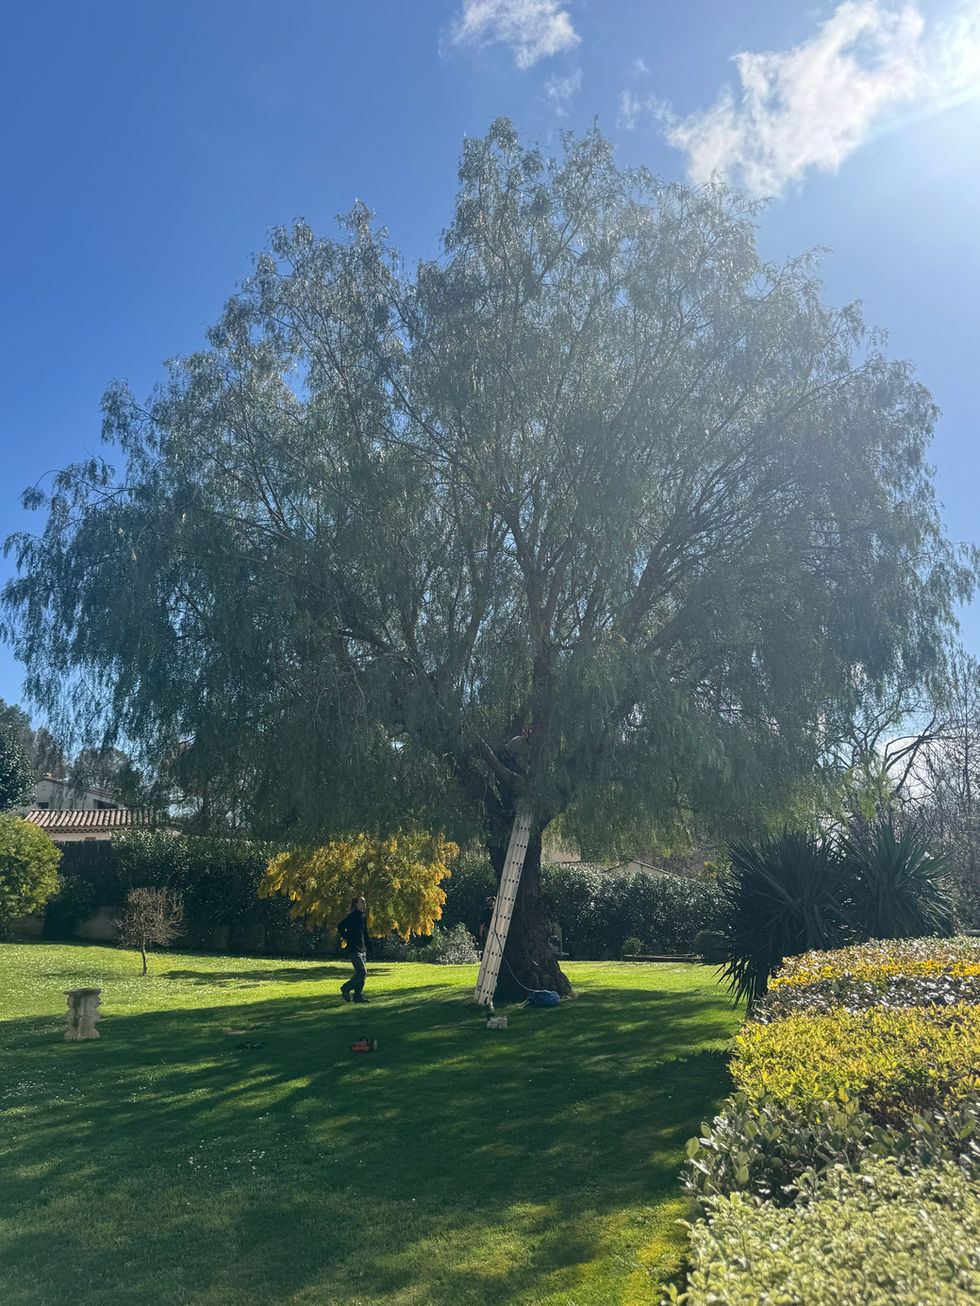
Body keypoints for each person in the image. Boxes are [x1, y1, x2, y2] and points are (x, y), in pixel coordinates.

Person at [338, 895, 370, 1003]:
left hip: (362, 948)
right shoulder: (352, 917)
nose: (364, 904)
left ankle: (358, 997)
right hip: (353, 949)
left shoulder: (363, 917)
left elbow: (365, 933)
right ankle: (346, 988)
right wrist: (347, 938)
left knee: (362, 975)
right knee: (362, 972)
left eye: (365, 902)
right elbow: (340, 926)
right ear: (356, 904)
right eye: (362, 902)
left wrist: (369, 947)